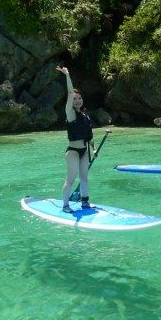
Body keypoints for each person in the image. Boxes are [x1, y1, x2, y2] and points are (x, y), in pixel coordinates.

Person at [56, 65, 95, 212]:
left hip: (84, 151)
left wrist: (94, 148)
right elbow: (70, 92)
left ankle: (85, 202)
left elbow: (90, 136)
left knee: (84, 178)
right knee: (71, 180)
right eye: (75, 99)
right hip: (73, 151)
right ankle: (65, 205)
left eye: (80, 98)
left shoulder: (85, 116)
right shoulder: (70, 114)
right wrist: (67, 75)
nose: (77, 100)